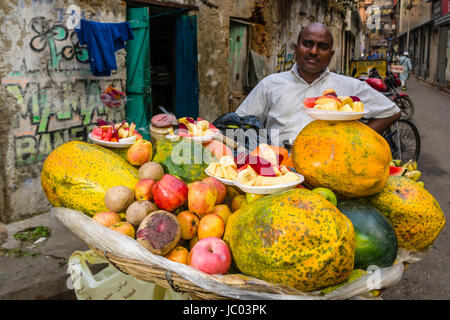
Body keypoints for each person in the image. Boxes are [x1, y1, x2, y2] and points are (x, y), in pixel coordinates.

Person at [235, 22, 401, 146]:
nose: (313, 51)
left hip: (330, 171)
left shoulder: (350, 87)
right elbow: (240, 123)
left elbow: (391, 111)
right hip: (280, 172)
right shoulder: (270, 84)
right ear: (296, 48)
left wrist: (353, 143)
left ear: (331, 54)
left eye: (322, 47)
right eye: (307, 44)